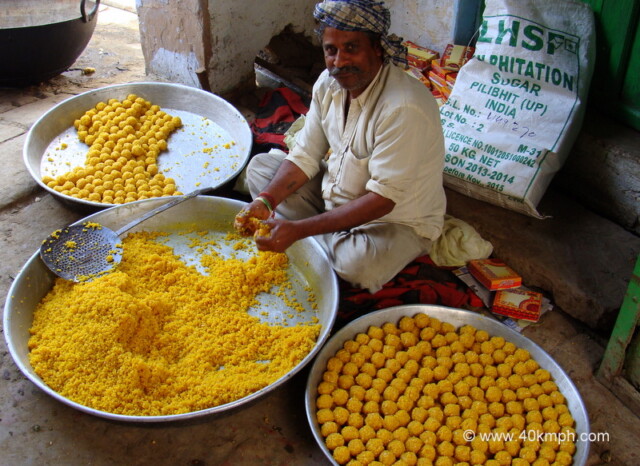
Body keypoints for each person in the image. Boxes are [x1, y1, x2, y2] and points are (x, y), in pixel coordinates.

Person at [234, 0, 446, 293]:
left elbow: (382, 200)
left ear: (377, 49)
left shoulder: (403, 107)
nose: (339, 61)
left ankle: (305, 237)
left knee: (357, 264)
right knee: (260, 169)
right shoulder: (328, 85)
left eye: (351, 48)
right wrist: (267, 201)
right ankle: (315, 236)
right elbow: (306, 154)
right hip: (335, 196)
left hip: (394, 220)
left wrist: (300, 230)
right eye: (330, 50)